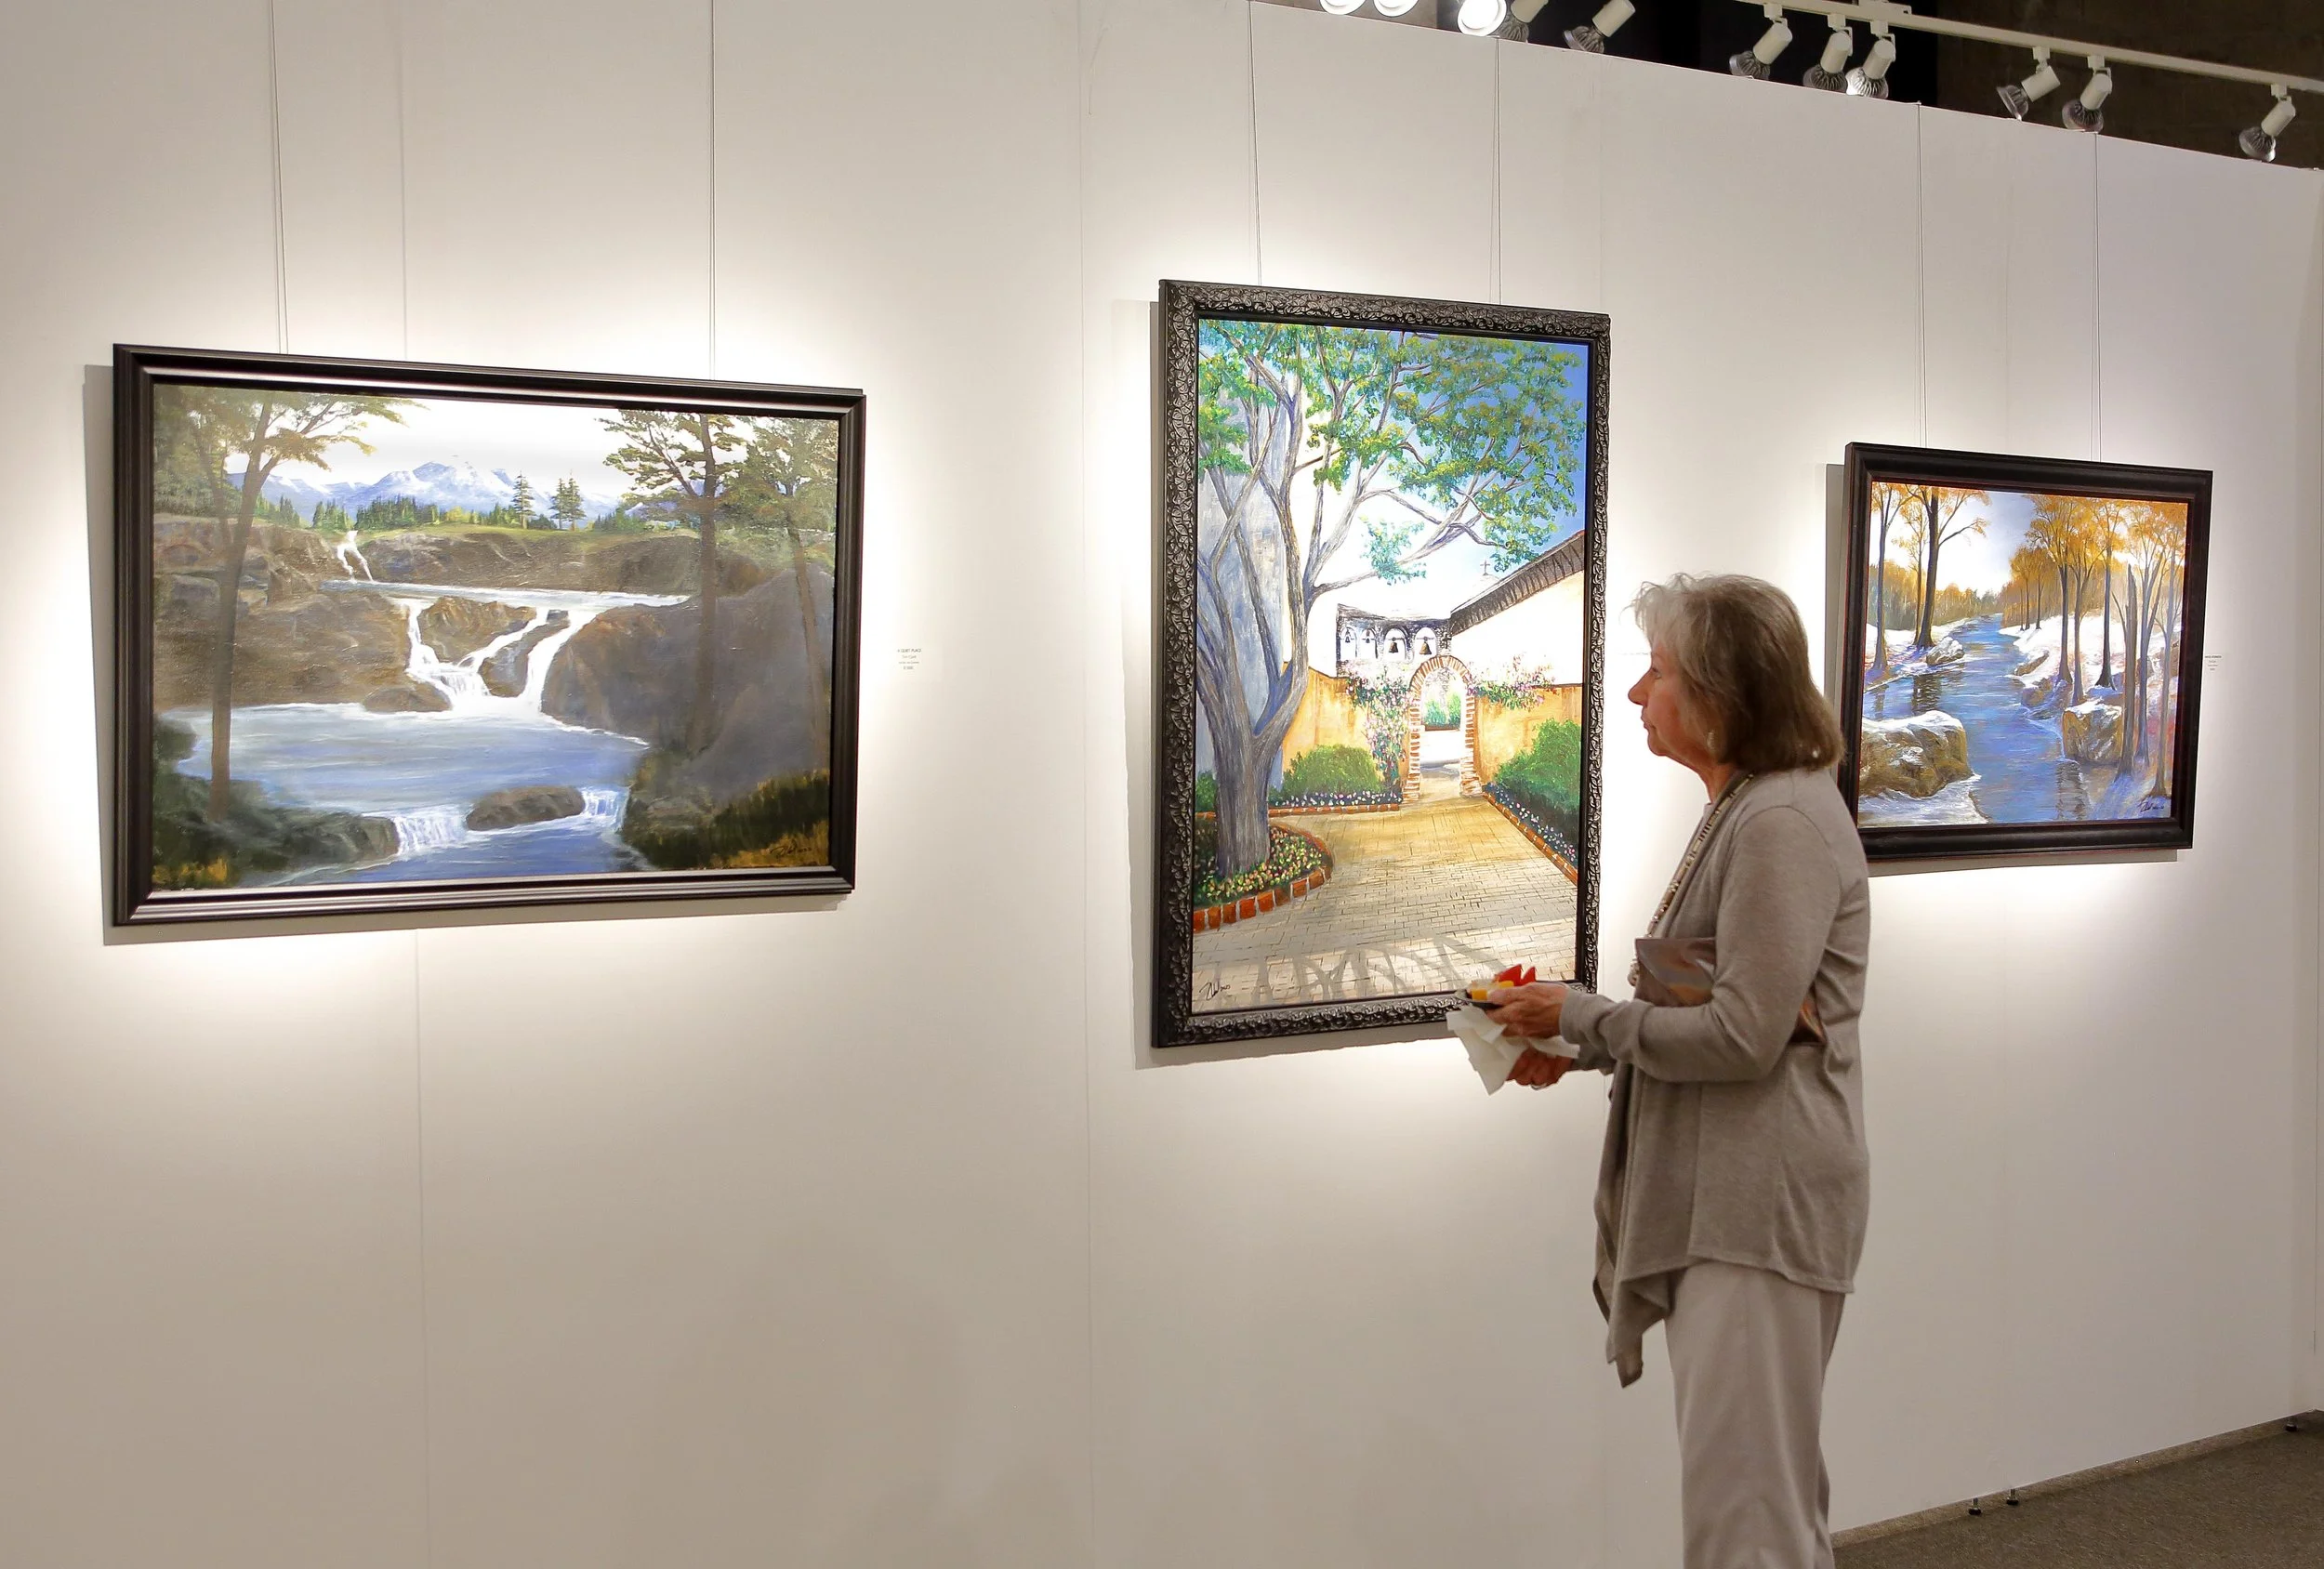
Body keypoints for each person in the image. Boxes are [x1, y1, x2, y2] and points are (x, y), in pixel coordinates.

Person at [1487, 574, 1871, 1569]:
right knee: (1761, 1500)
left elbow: (1745, 1034)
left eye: (1655, 671)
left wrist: (1582, 1014)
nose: (1634, 695)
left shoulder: (1779, 823)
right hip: (1728, 1197)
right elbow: (1719, 1008)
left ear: (1717, 690)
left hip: (1754, 1207)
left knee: (1748, 1520)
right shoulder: (1746, 809)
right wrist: (1579, 1046)